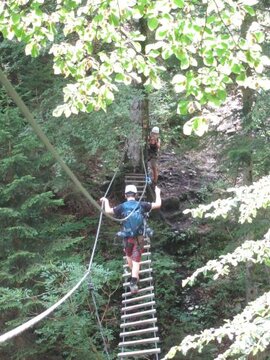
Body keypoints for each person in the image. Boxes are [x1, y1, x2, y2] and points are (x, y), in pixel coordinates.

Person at [100, 184, 161, 294]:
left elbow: (108, 211)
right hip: (139, 237)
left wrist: (105, 201)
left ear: (125, 195)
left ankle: (134, 275)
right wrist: (157, 192)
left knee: (128, 255)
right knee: (136, 259)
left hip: (127, 237)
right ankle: (134, 280)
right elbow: (158, 204)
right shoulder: (142, 204)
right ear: (136, 195)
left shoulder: (122, 207)